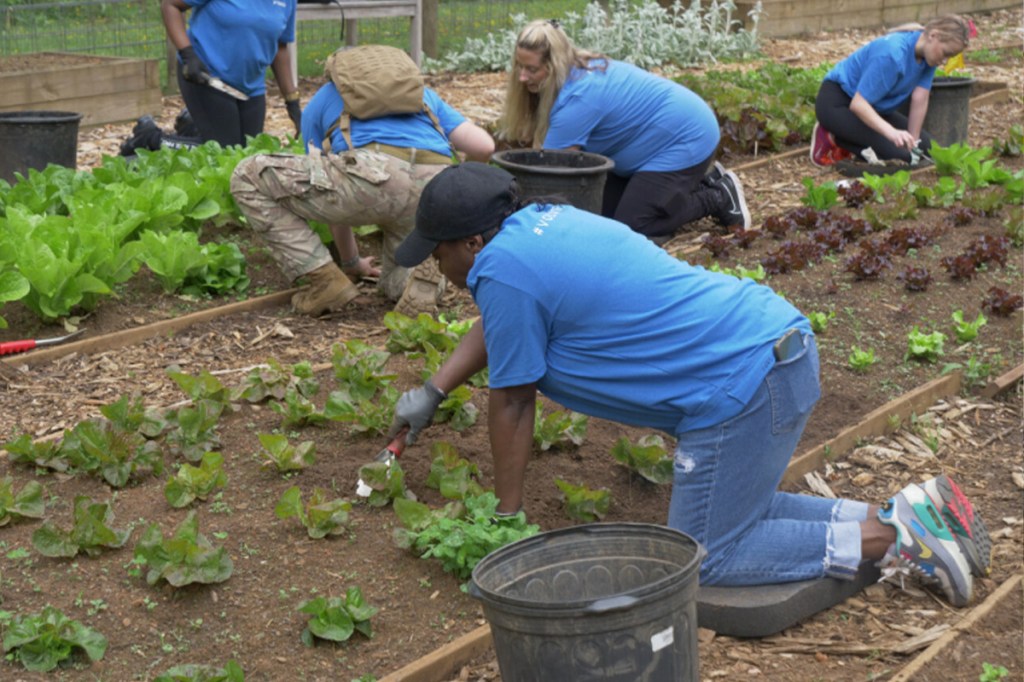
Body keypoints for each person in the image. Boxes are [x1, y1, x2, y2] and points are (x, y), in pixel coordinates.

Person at [385, 162, 991, 604]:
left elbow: (514, 402)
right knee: (739, 509)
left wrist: (505, 525)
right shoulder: (545, 224)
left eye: (438, 255)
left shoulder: (502, 269)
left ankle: (891, 538)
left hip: (738, 392)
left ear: (472, 241)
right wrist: (435, 389)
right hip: (777, 348)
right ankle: (909, 512)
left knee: (706, 556)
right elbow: (504, 325)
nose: (439, 269)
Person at [229, 61, 495, 316]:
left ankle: (323, 279)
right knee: (395, 275)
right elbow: (484, 146)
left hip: (372, 175)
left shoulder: (328, 95)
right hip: (434, 185)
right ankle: (415, 279)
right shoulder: (422, 95)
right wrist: (456, 196)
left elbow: (323, 179)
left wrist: (350, 262)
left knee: (248, 175)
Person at [497, 19, 749, 242]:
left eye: (531, 69)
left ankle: (718, 195)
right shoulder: (573, 71)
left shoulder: (578, 99)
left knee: (634, 227)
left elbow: (551, 177)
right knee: (601, 214)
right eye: (519, 66)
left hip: (687, 136)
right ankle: (698, 181)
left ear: (554, 65)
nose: (521, 77)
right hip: (654, 140)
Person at [122, 0, 302, 155]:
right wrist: (187, 54)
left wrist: (292, 104)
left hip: (250, 87)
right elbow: (170, 5)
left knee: (250, 153)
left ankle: (191, 128)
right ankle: (150, 138)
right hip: (206, 75)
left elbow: (280, 48)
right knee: (224, 153)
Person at [811, 15, 972, 167]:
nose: (945, 61)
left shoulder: (927, 56)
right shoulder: (892, 55)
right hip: (839, 104)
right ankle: (833, 137)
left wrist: (913, 142)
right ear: (934, 36)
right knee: (899, 157)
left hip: (873, 108)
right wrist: (893, 133)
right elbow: (858, 104)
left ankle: (855, 137)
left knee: (929, 149)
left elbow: (920, 98)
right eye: (946, 54)